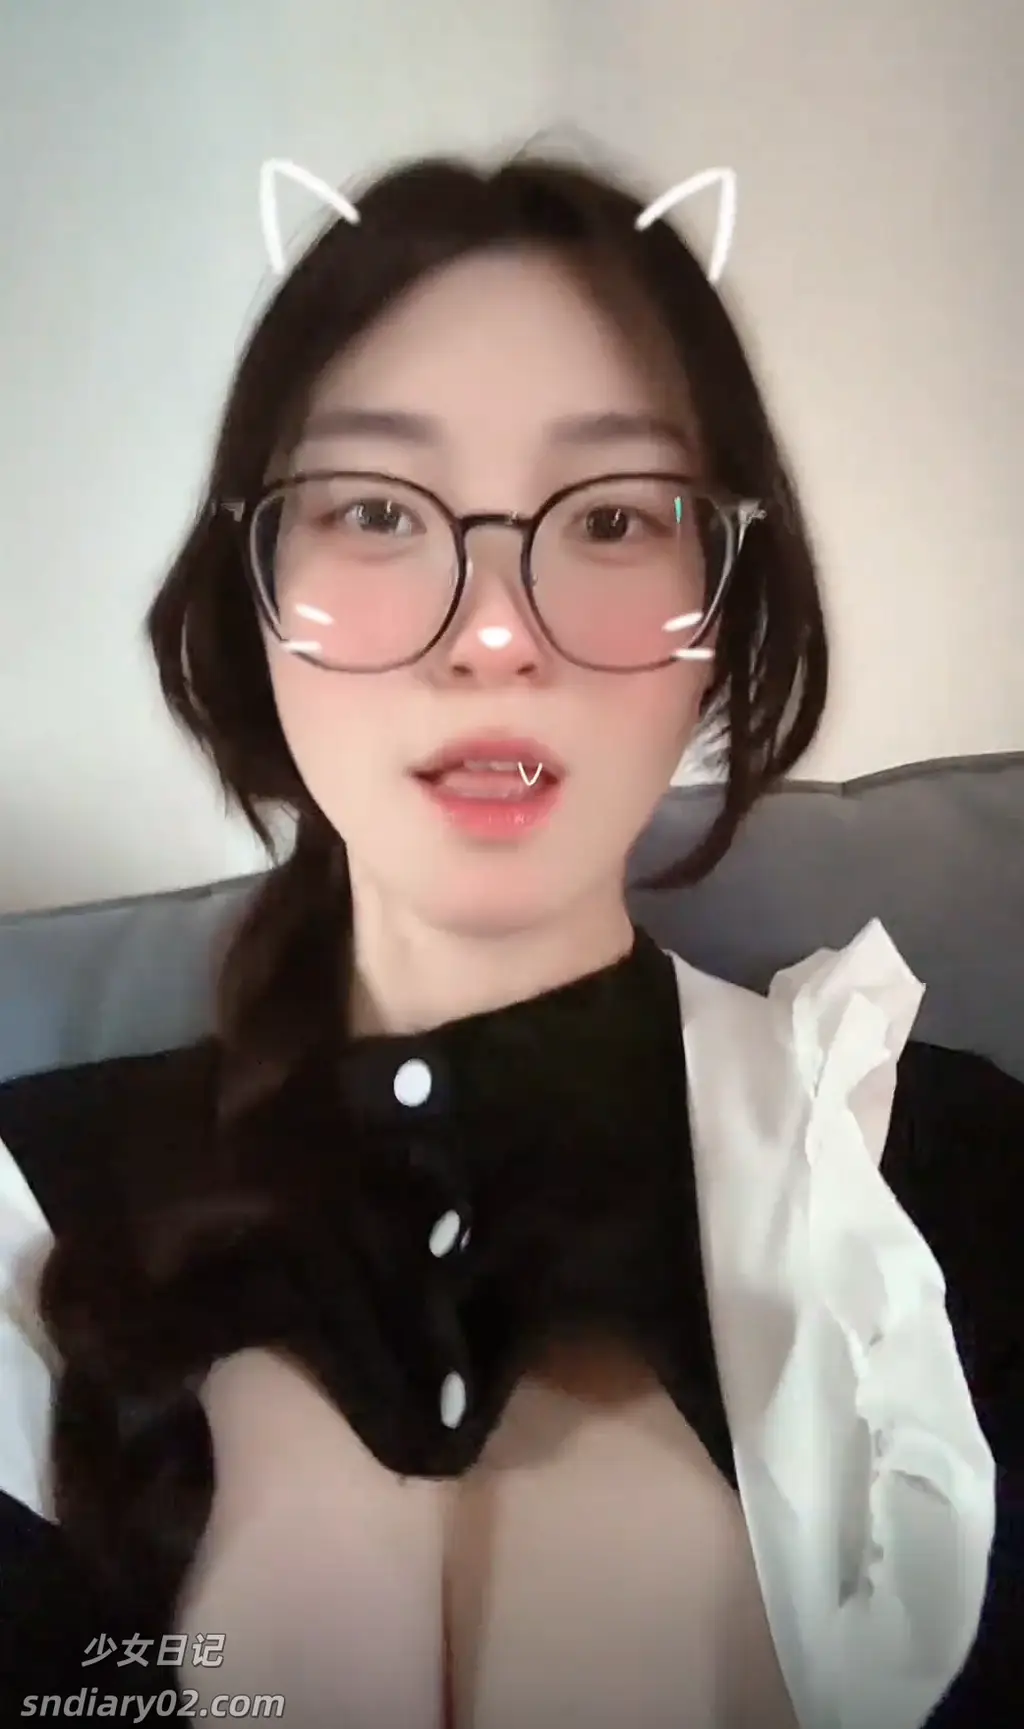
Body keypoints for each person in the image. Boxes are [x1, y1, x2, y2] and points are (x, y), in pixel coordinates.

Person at [0, 148, 1019, 1729]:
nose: (493, 634)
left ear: (727, 606)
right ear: (250, 593)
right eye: (374, 510)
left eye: (610, 518)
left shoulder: (950, 1183)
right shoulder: (25, 1218)